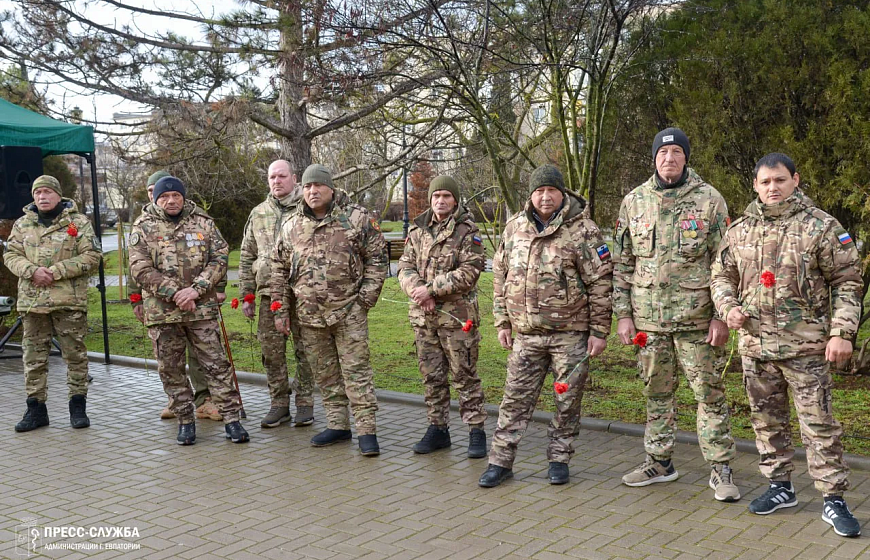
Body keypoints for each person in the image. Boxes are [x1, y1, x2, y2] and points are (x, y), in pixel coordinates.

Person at [711, 153, 862, 537]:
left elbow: (847, 281)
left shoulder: (821, 227)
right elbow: (721, 277)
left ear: (795, 180)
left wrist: (842, 332)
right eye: (765, 183)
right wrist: (728, 308)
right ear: (756, 187)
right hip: (757, 348)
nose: (772, 188)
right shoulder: (740, 230)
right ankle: (780, 487)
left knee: (819, 425)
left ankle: (833, 499)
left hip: (807, 348)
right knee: (766, 422)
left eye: (779, 180)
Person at [612, 127, 739, 501]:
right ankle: (660, 462)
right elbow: (622, 264)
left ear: (686, 158)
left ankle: (720, 468)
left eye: (676, 153)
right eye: (663, 153)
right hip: (648, 321)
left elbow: (725, 263)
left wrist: (720, 315)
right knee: (656, 393)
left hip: (697, 320)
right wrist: (623, 315)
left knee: (709, 393)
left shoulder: (709, 201)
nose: (669, 159)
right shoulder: (634, 202)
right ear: (654, 158)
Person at [478, 164, 612, 488]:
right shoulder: (514, 228)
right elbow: (500, 277)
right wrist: (502, 322)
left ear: (562, 193)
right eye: (539, 190)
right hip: (525, 335)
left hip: (570, 335)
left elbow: (601, 283)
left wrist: (599, 331)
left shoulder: (583, 230)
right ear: (531, 194)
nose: (545, 196)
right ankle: (500, 461)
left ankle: (559, 458)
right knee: (514, 400)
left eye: (551, 190)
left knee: (567, 401)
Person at [270, 164, 387, 456]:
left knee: (357, 372)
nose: (312, 192)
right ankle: (338, 425)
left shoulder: (356, 219)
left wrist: (365, 300)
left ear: (330, 188)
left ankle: (366, 431)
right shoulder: (291, 225)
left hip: (349, 312)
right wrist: (281, 309)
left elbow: (377, 258)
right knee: (325, 374)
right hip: (309, 316)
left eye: (318, 186)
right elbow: (278, 269)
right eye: (308, 187)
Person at [128, 176, 248, 445]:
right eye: (164, 197)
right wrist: (175, 293)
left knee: (217, 365)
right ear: (156, 199)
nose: (171, 201)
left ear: (183, 197)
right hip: (163, 313)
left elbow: (220, 257)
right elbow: (140, 268)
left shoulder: (204, 222)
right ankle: (184, 420)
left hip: (201, 309)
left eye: (176, 196)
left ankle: (232, 419)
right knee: (171, 369)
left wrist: (196, 289)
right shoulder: (143, 227)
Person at [397, 175, 487, 458]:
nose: (441, 201)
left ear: (456, 200)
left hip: (456, 318)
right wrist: (416, 291)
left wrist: (430, 291)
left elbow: (469, 271)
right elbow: (404, 265)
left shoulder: (467, 231)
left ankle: (476, 431)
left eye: (446, 196)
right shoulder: (418, 230)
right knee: (431, 376)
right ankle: (438, 429)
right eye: (436, 196)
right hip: (424, 319)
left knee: (464, 374)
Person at [4, 175, 102, 431]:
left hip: (67, 302)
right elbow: (10, 255)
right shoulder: (23, 224)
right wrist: (31, 270)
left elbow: (92, 256)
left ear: (59, 195)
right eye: (37, 193)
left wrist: (56, 271)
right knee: (33, 358)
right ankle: (36, 410)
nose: (42, 197)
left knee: (75, 356)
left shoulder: (78, 222)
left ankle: (77, 407)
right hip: (33, 302)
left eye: (47, 192)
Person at [239, 159, 315, 428]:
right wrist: (246, 294)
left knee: (306, 350)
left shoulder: (308, 208)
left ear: (294, 178)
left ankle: (305, 403)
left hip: (302, 293)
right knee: (271, 352)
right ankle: (279, 404)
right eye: (272, 177)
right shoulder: (259, 212)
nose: (276, 181)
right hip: (269, 294)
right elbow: (247, 255)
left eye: (282, 176)